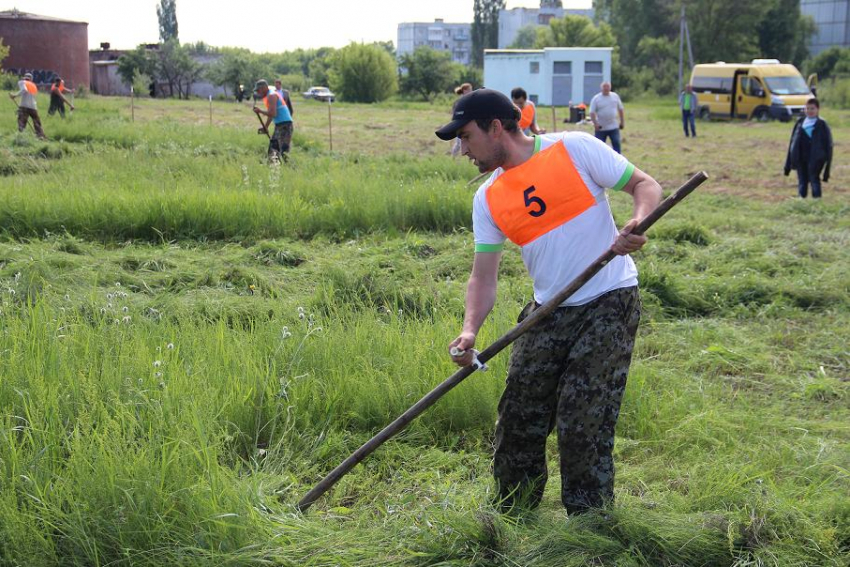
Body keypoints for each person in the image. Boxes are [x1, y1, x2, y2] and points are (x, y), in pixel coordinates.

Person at [435, 89, 662, 515]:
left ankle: (590, 527)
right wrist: (470, 330)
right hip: (547, 310)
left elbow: (645, 185)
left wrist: (638, 220)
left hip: (607, 299)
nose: (462, 149)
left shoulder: (572, 148)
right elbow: (482, 276)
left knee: (582, 420)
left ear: (496, 127)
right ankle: (512, 513)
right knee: (519, 416)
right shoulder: (487, 197)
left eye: (466, 136)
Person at [784, 98, 833, 199]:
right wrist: (788, 164)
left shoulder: (822, 124)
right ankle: (801, 200)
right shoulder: (800, 123)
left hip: (816, 158)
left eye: (812, 108)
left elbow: (828, 144)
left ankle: (816, 201)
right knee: (802, 180)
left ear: (818, 109)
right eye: (807, 108)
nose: (810, 111)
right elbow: (792, 142)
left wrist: (826, 160)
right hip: (801, 157)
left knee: (814, 179)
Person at [252, 79, 294, 162]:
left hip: (285, 125)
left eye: (258, 90)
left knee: (281, 151)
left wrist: (260, 111)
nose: (258, 93)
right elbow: (271, 115)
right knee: (274, 149)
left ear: (264, 88)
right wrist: (266, 126)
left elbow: (272, 114)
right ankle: (275, 168)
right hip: (280, 125)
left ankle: (290, 169)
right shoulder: (269, 95)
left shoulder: (271, 95)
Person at [589, 82, 625, 154]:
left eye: (608, 87)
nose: (606, 89)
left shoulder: (615, 96)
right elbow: (592, 112)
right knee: (599, 147)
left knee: (616, 144)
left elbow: (620, 109)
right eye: (604, 87)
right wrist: (595, 124)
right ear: (601, 88)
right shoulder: (596, 98)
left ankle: (617, 162)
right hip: (601, 128)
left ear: (610, 87)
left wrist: (622, 122)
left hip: (613, 127)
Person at [9, 72, 46, 139]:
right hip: (33, 107)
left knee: (22, 123)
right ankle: (41, 136)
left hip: (24, 106)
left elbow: (24, 90)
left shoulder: (22, 82)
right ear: (31, 79)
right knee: (37, 123)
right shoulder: (34, 85)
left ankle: (21, 137)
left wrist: (15, 95)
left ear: (24, 77)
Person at [451, 83, 473, 157]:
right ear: (464, 91)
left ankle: (471, 161)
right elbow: (455, 115)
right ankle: (453, 159)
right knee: (459, 144)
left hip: (469, 125)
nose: (471, 91)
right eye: (470, 90)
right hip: (459, 125)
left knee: (471, 143)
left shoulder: (470, 101)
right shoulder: (459, 102)